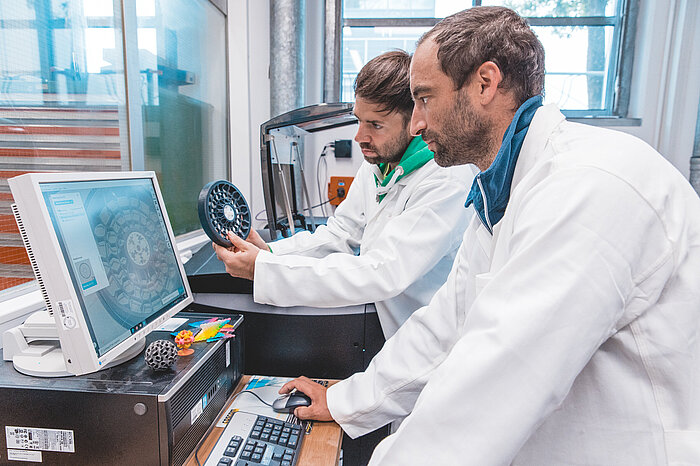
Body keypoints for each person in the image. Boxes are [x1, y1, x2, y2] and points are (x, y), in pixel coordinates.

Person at [279, 7, 700, 465]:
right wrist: (345, 402)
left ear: (485, 83)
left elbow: (497, 383)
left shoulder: (587, 187)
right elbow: (446, 326)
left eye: (424, 98)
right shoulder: (505, 191)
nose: (416, 123)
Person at [214, 50, 474, 338]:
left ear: (413, 121)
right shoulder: (380, 165)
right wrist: (270, 253)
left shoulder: (445, 180)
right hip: (390, 329)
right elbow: (341, 234)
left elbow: (382, 271)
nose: (360, 137)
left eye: (375, 125)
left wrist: (264, 270)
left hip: (427, 341)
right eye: (359, 121)